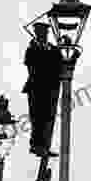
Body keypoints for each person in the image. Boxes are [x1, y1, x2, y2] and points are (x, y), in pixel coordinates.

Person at [22, 22, 63, 158]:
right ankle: (36, 146)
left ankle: (45, 146)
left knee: (49, 118)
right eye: (40, 34)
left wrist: (64, 45)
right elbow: (33, 69)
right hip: (37, 88)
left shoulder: (52, 49)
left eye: (45, 34)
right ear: (36, 34)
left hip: (50, 88)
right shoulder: (31, 49)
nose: (43, 36)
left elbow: (60, 60)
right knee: (37, 118)